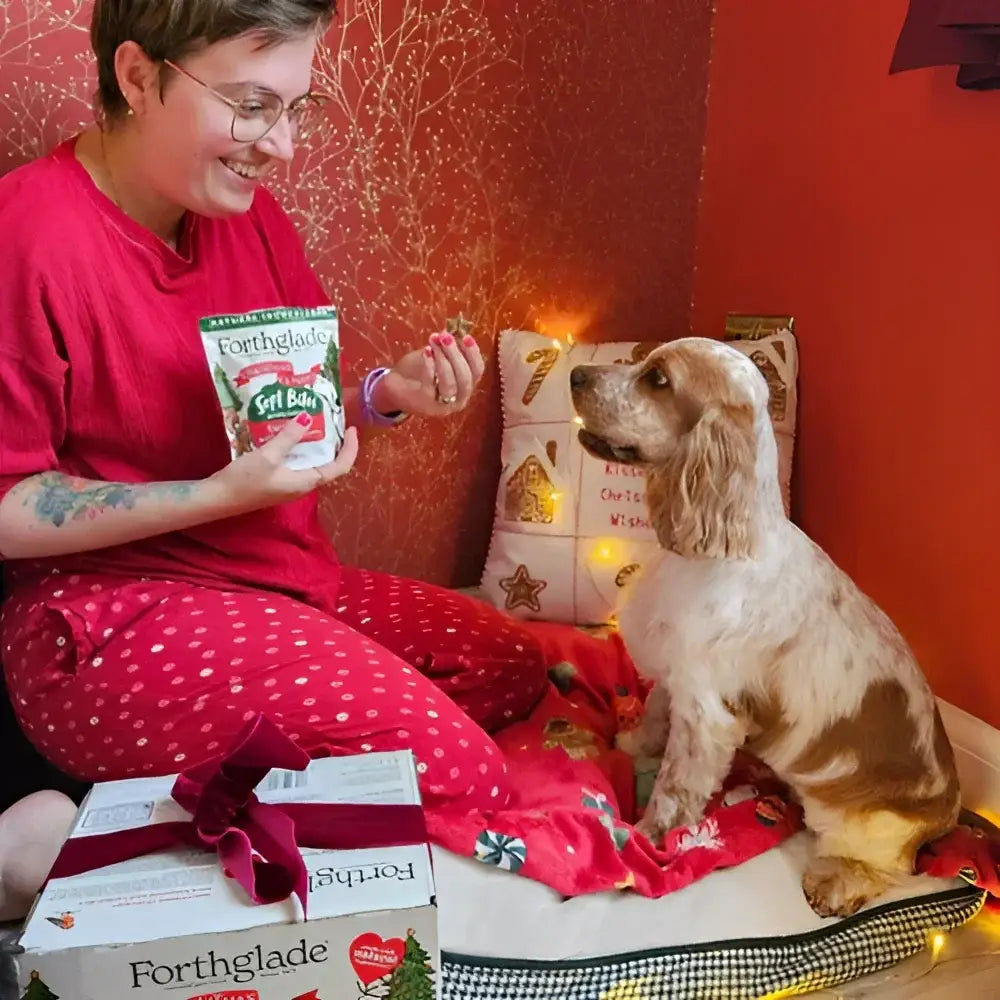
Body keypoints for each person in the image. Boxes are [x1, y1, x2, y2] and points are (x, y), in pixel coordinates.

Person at [0, 0, 549, 820]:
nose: (282, 147)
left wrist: (383, 396)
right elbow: (8, 507)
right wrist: (219, 498)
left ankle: (200, 788)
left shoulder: (248, 224)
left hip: (270, 586)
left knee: (510, 661)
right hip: (104, 620)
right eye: (253, 107)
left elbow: (294, 413)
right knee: (462, 773)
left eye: (297, 110)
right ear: (137, 75)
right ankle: (92, 836)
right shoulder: (29, 235)